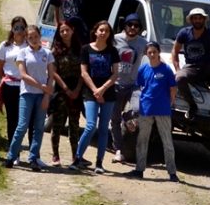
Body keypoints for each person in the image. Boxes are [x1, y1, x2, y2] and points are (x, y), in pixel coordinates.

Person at [2, 25, 55, 171]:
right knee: (22, 126)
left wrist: (46, 95)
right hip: (27, 93)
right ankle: (11, 156)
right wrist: (41, 86)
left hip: (41, 95)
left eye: (36, 36)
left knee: (38, 127)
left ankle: (33, 158)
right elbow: (23, 75)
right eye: (30, 37)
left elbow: (51, 76)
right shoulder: (23, 53)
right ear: (26, 38)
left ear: (40, 36)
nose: (33, 39)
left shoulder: (47, 53)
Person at [69, 20, 120, 174]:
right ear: (95, 31)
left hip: (108, 93)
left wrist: (102, 90)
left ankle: (99, 162)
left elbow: (115, 74)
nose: (103, 33)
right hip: (90, 92)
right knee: (91, 125)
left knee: (104, 128)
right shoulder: (86, 49)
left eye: (106, 31)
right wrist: (95, 90)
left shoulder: (113, 51)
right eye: (101, 30)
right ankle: (77, 158)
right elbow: (84, 72)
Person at [171, 7, 210, 120]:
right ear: (191, 20)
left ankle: (209, 80)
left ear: (204, 20)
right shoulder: (184, 33)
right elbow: (175, 51)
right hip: (191, 68)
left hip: (207, 67)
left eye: (200, 18)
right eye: (195, 18)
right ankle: (192, 106)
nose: (197, 20)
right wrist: (177, 69)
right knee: (179, 78)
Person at [130, 41, 179, 182]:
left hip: (163, 109)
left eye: (154, 52)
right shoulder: (143, 69)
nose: (152, 55)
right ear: (146, 54)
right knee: (142, 140)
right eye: (149, 52)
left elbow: (173, 87)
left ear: (158, 52)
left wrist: (171, 101)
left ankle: (172, 173)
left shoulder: (166, 69)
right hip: (146, 109)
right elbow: (138, 87)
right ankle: (139, 169)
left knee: (167, 141)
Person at [111, 13, 148, 163]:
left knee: (138, 109)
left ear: (140, 28)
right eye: (130, 24)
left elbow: (155, 54)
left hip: (134, 84)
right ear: (125, 25)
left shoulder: (143, 43)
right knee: (114, 119)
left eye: (136, 26)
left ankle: (127, 117)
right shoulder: (115, 39)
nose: (133, 28)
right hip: (116, 84)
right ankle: (118, 150)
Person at [49, 20, 83, 167]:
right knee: (57, 124)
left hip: (76, 89)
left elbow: (84, 71)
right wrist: (66, 89)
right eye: (62, 31)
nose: (64, 33)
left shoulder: (79, 49)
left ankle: (75, 156)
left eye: (67, 30)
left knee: (74, 125)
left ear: (72, 30)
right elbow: (53, 72)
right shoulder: (55, 50)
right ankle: (55, 155)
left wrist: (77, 90)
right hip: (61, 90)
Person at [0, 16, 29, 149]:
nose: (19, 31)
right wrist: (5, 78)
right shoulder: (5, 46)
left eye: (22, 28)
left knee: (23, 120)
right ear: (12, 29)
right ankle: (12, 148)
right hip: (9, 86)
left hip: (24, 86)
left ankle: (18, 144)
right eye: (16, 28)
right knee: (11, 118)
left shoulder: (29, 46)